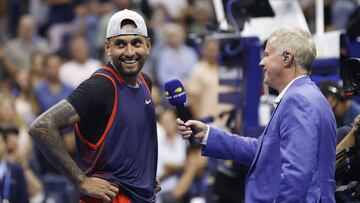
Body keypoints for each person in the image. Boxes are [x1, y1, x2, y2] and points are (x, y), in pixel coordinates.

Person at [177, 26, 337, 202]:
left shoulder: (298, 101)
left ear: (286, 57)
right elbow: (262, 150)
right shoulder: (309, 95)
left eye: (267, 55)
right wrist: (208, 134)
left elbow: (297, 175)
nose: (261, 62)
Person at [29, 9, 160, 202]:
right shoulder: (100, 86)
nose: (130, 52)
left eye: (136, 43)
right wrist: (82, 181)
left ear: (147, 45)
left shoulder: (145, 82)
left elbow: (130, 139)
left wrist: (143, 177)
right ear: (107, 48)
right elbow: (41, 126)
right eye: (120, 44)